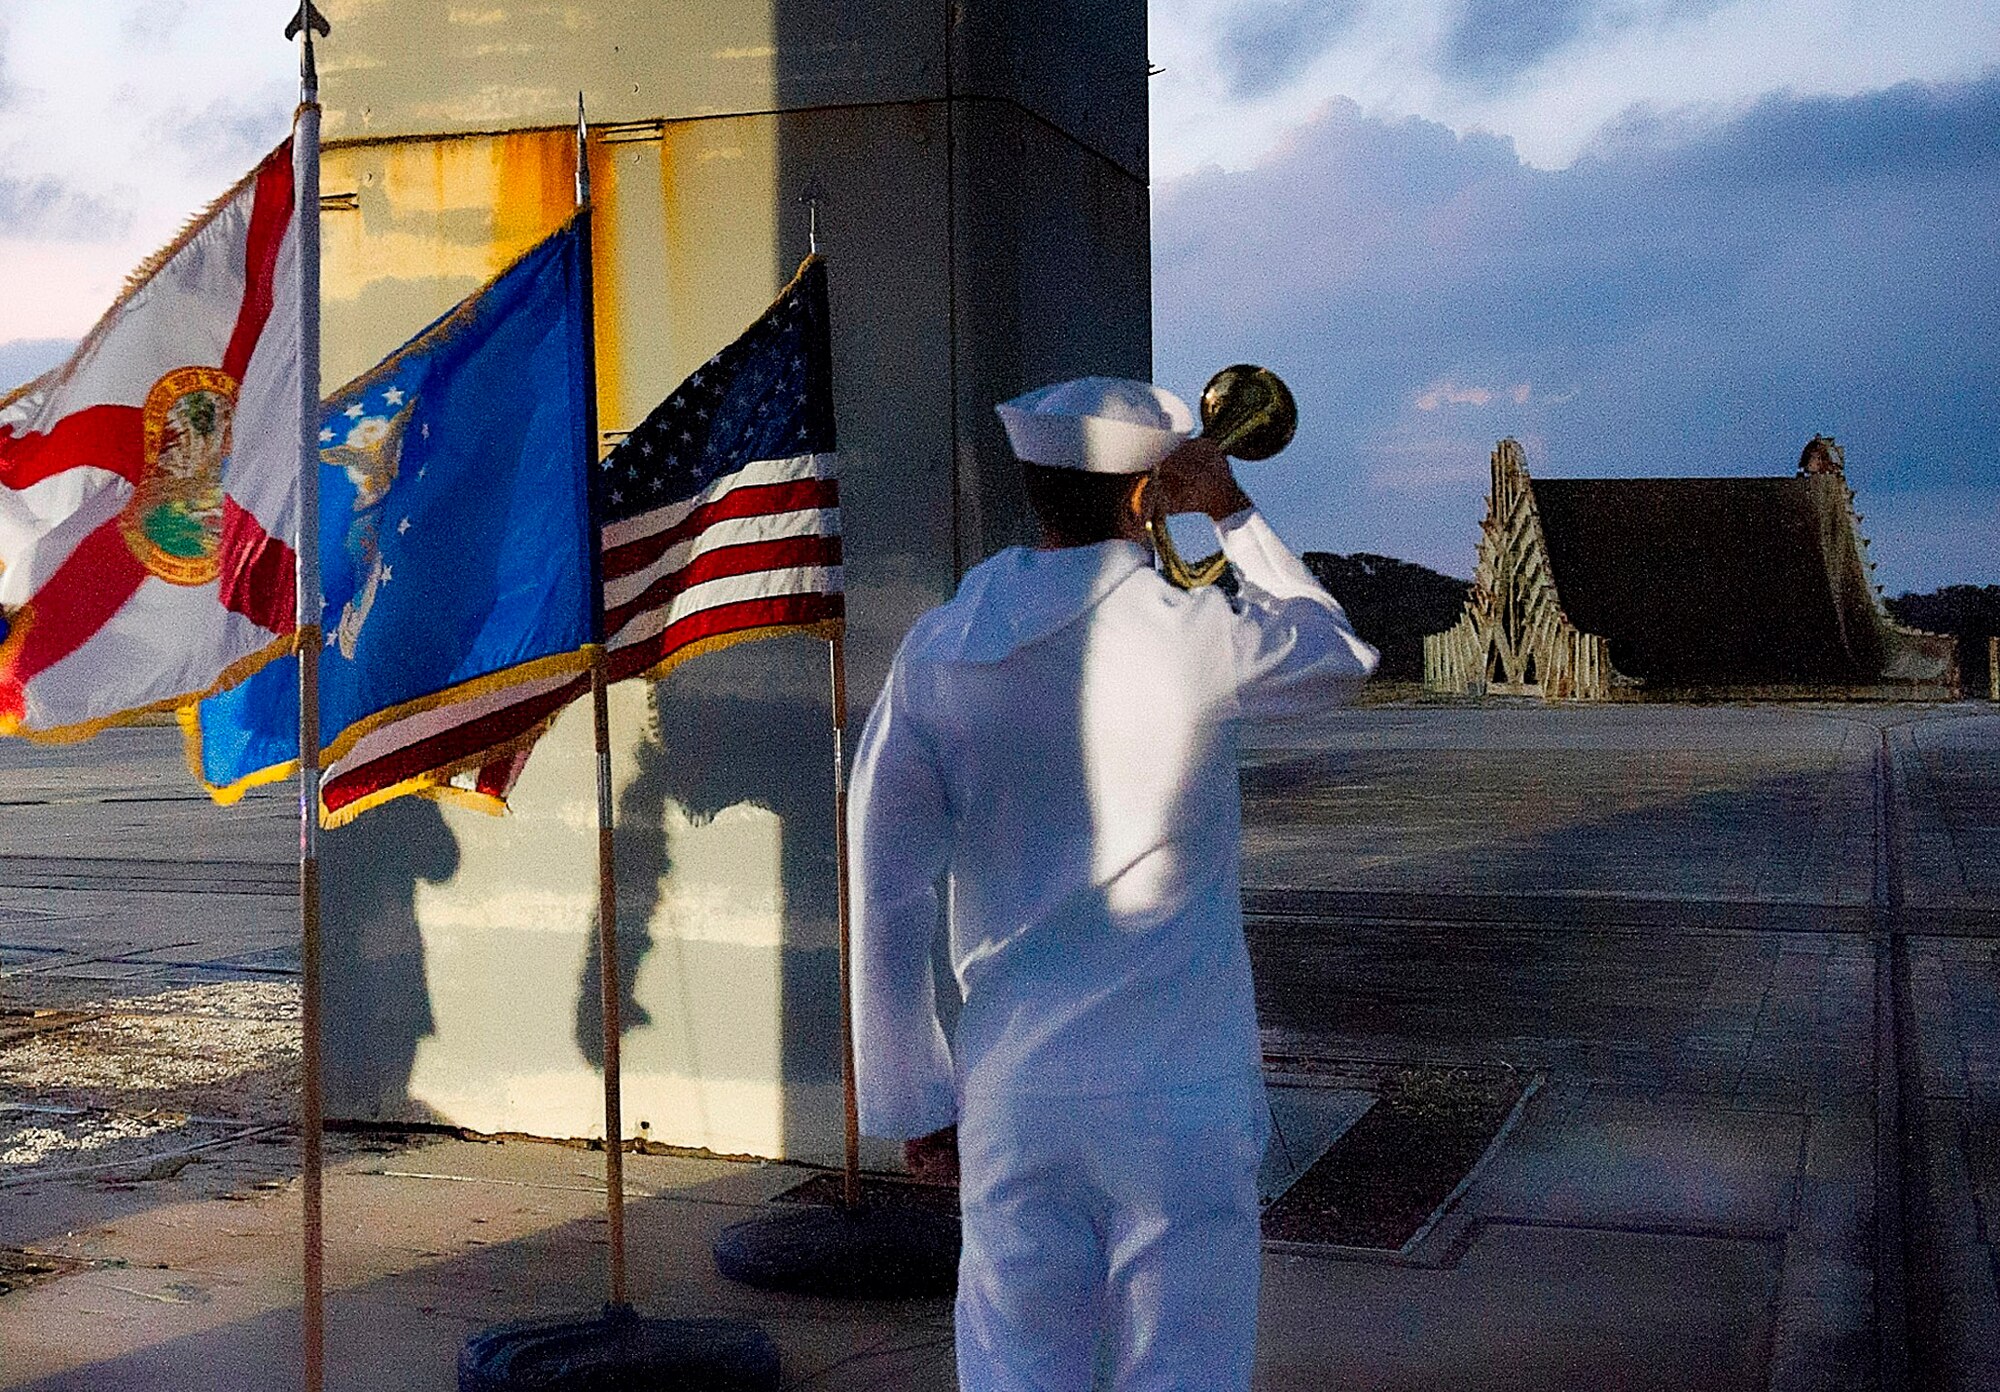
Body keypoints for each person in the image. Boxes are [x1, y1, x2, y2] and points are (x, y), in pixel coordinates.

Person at [848, 376, 1378, 1391]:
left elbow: (887, 891)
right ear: (1146, 496)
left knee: (1016, 1372)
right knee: (1183, 1371)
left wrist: (914, 1093)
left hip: (1017, 1089)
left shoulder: (939, 652)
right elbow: (1336, 655)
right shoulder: (1196, 634)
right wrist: (1226, 511)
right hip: (1182, 1091)